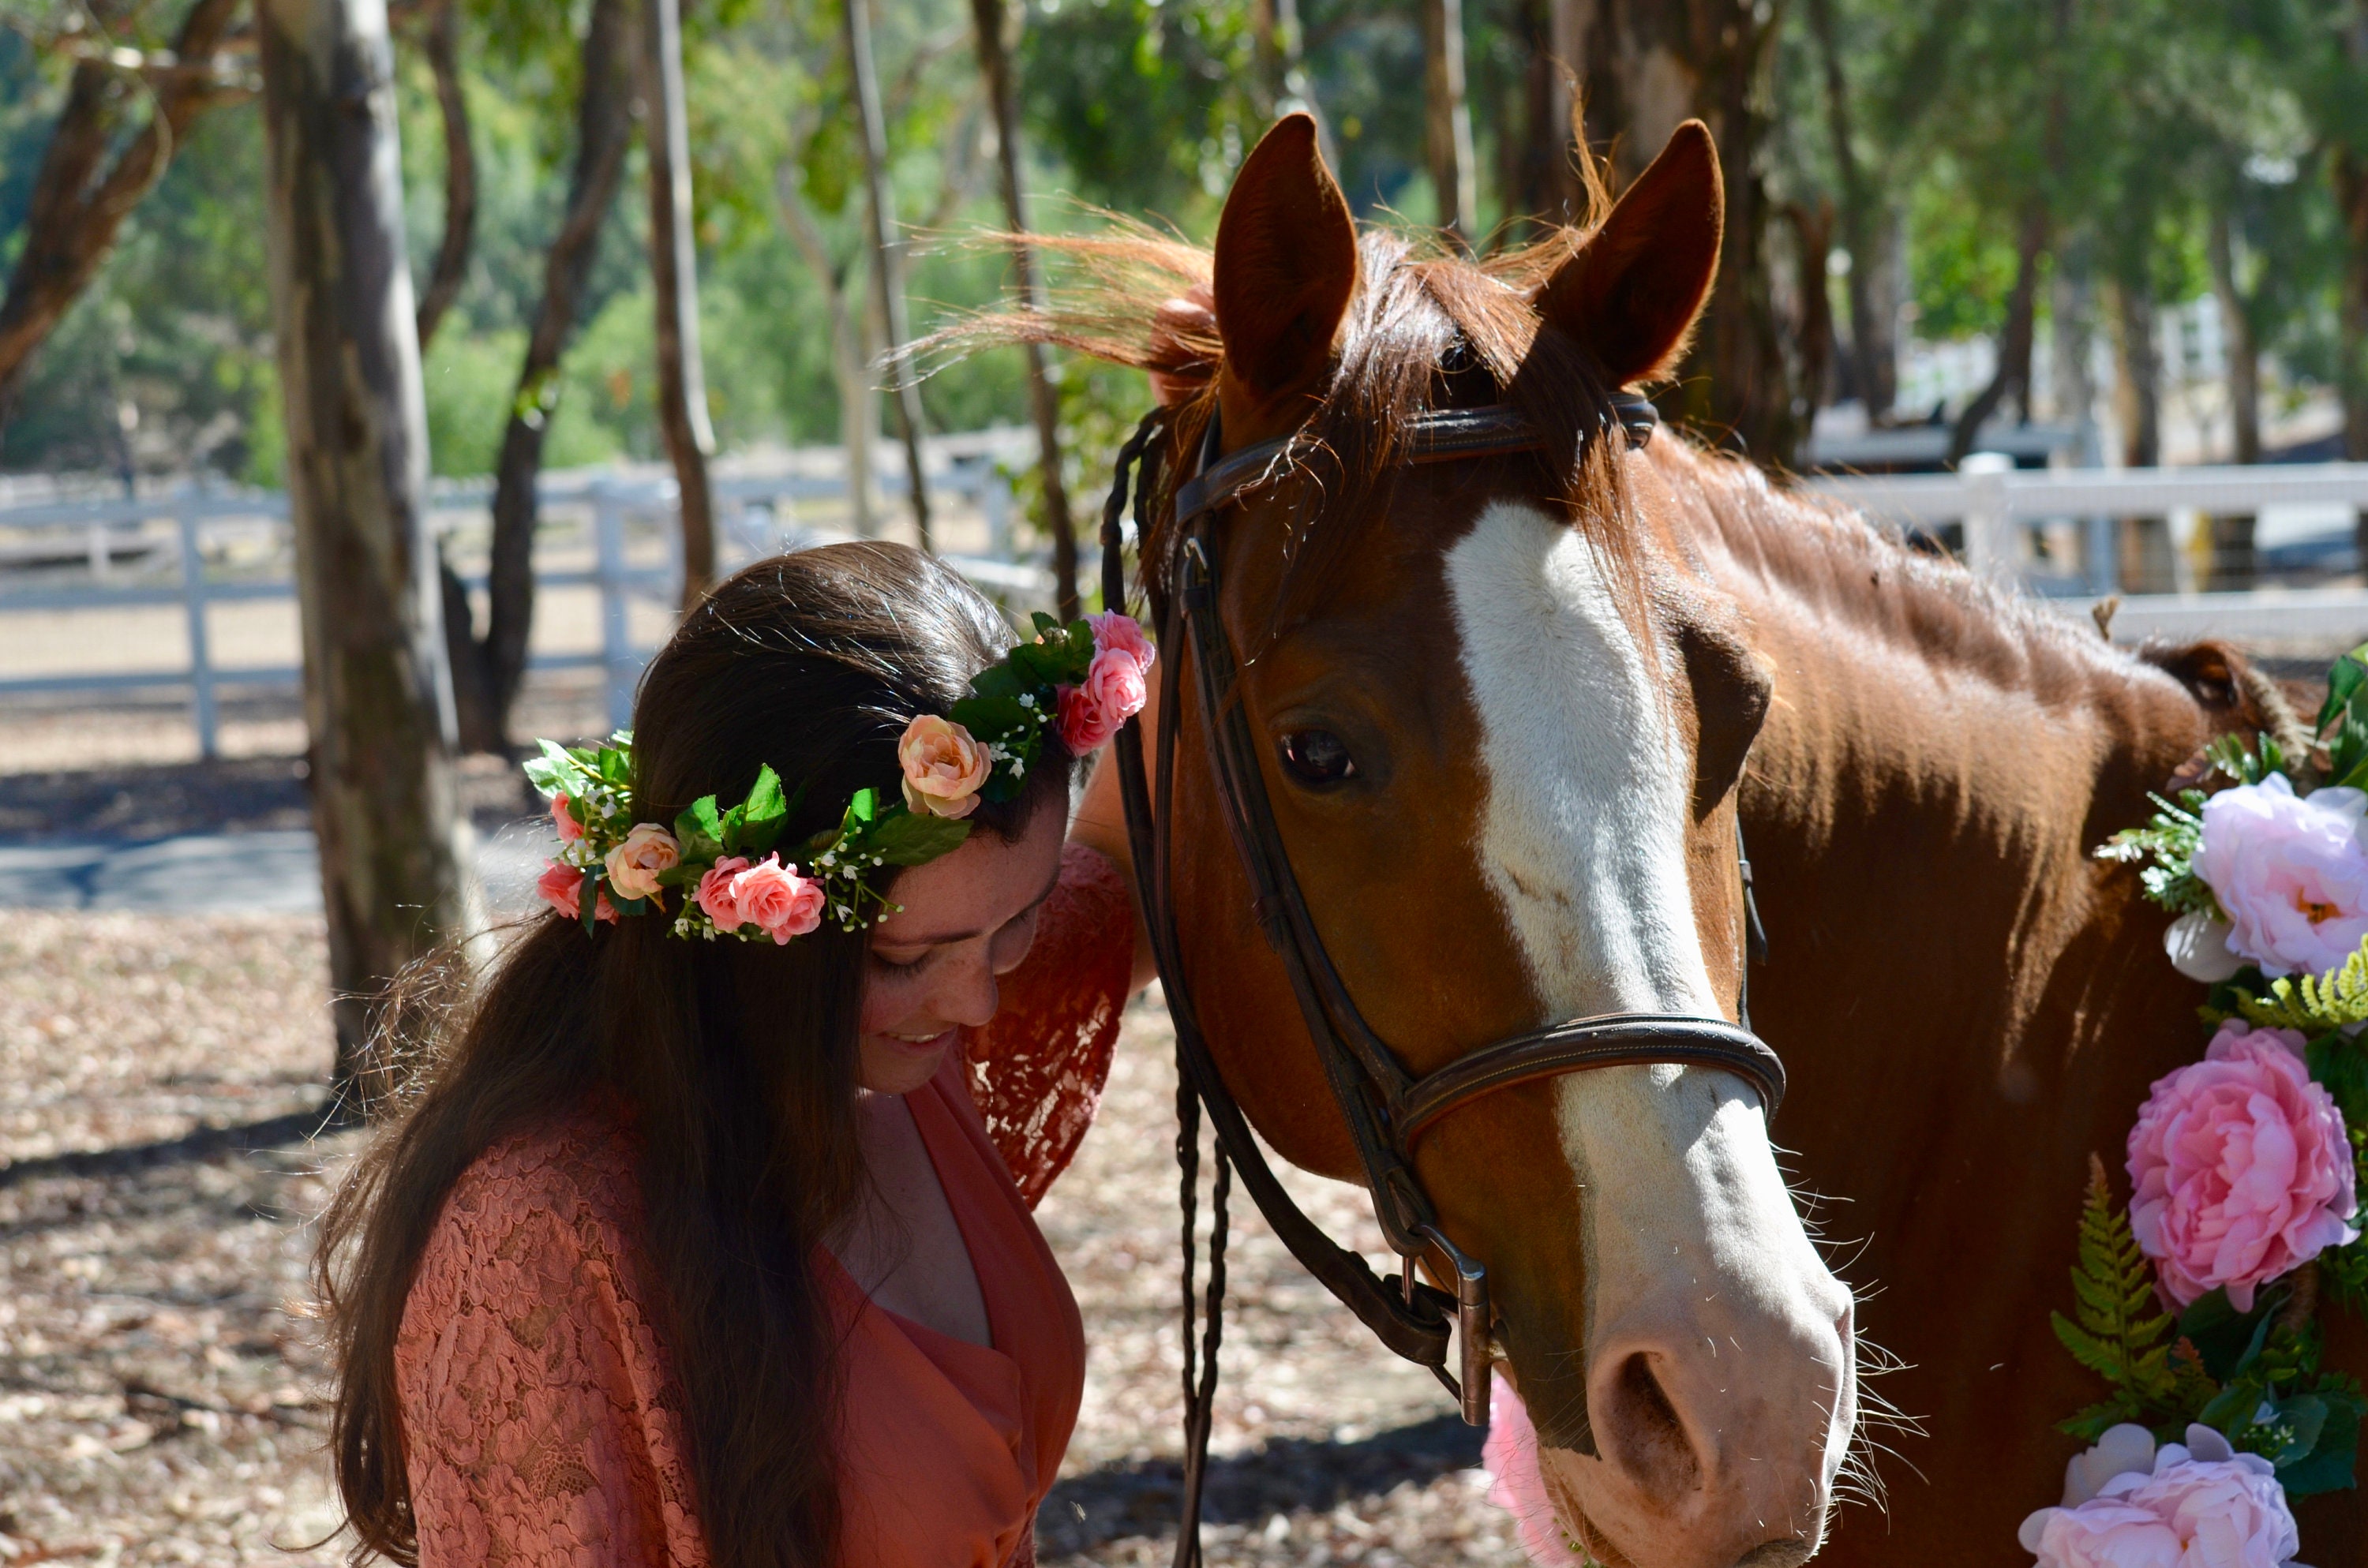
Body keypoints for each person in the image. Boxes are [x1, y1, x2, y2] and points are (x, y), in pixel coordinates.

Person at [315, 541, 1162, 1568]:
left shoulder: (917, 1045)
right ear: (747, 915)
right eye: (903, 957)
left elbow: (1122, 872)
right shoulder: (544, 1230)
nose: (980, 998)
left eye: (1018, 923)